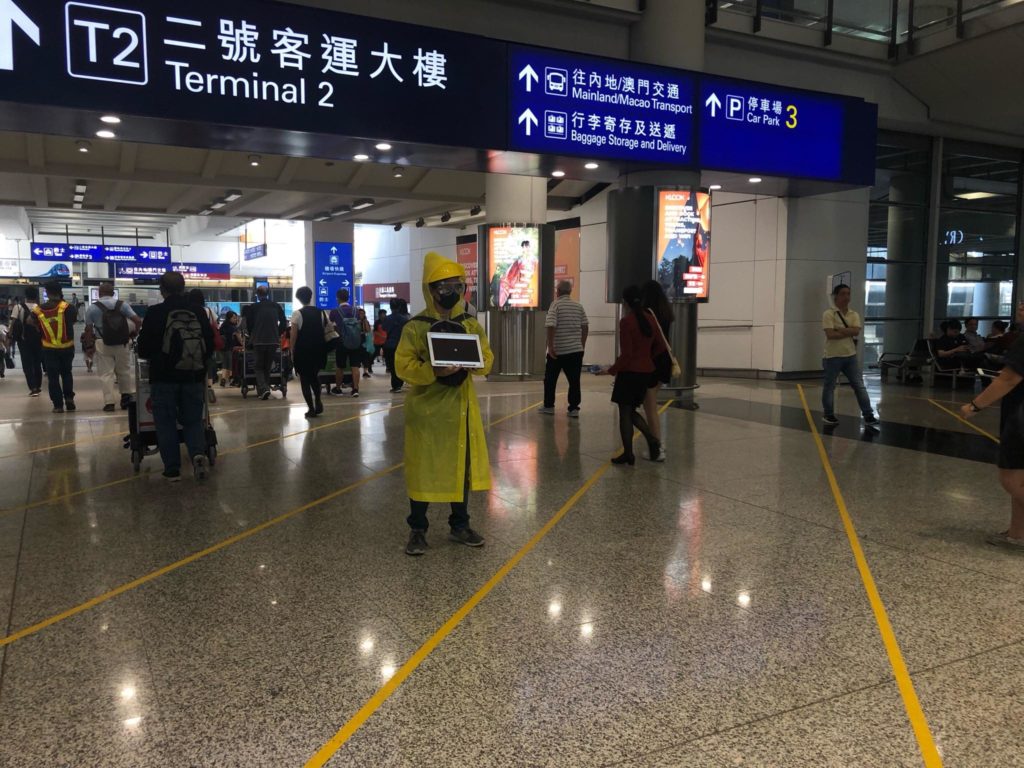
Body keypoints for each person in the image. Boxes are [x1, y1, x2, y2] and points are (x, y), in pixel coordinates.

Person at [397, 252, 493, 556]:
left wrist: (474, 364)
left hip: (461, 410)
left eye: (457, 285)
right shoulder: (416, 327)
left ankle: (460, 524)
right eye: (445, 285)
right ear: (432, 288)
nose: (451, 291)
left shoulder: (470, 325)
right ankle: (417, 528)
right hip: (426, 413)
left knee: (459, 468)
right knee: (423, 469)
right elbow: (403, 365)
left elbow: (487, 358)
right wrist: (431, 371)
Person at [138, 271, 214, 482]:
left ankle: (172, 469)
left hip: (163, 378)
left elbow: (143, 349)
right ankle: (198, 454)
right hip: (193, 376)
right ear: (183, 288)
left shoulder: (155, 312)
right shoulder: (198, 311)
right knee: (193, 421)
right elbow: (209, 343)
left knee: (165, 422)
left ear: (162, 289)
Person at [961, 301, 1024, 551]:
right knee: (1020, 477)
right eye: (1021, 302)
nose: (1021, 306)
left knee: (1010, 479)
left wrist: (975, 405)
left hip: (1020, 417)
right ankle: (1017, 535)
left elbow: (1008, 378)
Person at [598, 285, 665, 464]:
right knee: (630, 411)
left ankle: (633, 451)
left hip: (629, 373)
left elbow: (626, 355)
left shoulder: (626, 322)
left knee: (625, 412)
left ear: (625, 302)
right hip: (645, 372)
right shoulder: (650, 319)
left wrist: (611, 370)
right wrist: (646, 357)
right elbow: (660, 346)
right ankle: (651, 442)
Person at [821, 284, 878, 427]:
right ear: (836, 296)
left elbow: (856, 331)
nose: (846, 297)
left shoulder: (854, 314)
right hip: (832, 356)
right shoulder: (829, 314)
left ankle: (868, 414)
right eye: (843, 294)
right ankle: (829, 414)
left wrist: (839, 329)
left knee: (859, 386)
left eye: (848, 294)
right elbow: (830, 334)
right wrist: (848, 331)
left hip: (850, 356)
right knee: (829, 387)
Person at [85, 282, 141, 412]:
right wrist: (133, 333)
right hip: (122, 342)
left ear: (99, 293)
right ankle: (126, 399)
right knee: (124, 371)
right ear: (113, 293)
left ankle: (109, 403)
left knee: (106, 373)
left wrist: (89, 347)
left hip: (102, 343)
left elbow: (88, 329)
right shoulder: (122, 305)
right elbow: (138, 320)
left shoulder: (93, 308)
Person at [541, 280, 588, 417]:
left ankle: (548, 406)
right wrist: (582, 344)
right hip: (575, 350)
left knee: (550, 379)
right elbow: (585, 326)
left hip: (558, 351)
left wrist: (550, 346)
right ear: (570, 291)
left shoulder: (555, 305)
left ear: (558, 291)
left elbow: (550, 325)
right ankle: (573, 408)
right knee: (574, 381)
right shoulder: (578, 306)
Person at [640, 279, 674, 455]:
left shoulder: (647, 314)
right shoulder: (666, 311)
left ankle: (657, 447)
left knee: (650, 407)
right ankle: (658, 443)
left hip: (651, 361)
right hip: (665, 361)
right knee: (651, 404)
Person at [34, 282, 78, 414]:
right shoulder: (69, 307)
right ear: (60, 291)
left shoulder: (39, 309)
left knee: (53, 377)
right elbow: (73, 321)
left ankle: (58, 406)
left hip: (48, 349)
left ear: (47, 292)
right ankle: (69, 398)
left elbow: (31, 322)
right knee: (66, 373)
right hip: (67, 347)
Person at [242, 285, 287, 400]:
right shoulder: (276, 306)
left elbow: (249, 324)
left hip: (259, 341)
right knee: (267, 366)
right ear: (268, 294)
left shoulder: (254, 307)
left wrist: (253, 334)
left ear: (257, 294)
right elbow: (283, 322)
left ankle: (264, 389)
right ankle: (263, 391)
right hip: (273, 341)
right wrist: (278, 333)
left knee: (258, 367)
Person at [289, 287, 328, 419]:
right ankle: (318, 399)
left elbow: (293, 334)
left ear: (299, 299)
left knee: (305, 379)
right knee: (314, 375)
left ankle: (311, 408)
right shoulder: (321, 312)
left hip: (303, 351)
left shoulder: (297, 314)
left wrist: (291, 350)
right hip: (319, 349)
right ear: (310, 297)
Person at [9, 286, 43, 396]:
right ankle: (38, 386)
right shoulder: (39, 307)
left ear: (25, 296)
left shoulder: (18, 307)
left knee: (27, 364)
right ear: (36, 296)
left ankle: (33, 388)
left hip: (23, 340)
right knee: (37, 362)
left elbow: (13, 323)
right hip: (38, 339)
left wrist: (10, 335)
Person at [329, 289, 361, 397]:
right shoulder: (356, 311)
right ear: (348, 297)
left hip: (342, 341)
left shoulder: (334, 311)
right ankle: (355, 389)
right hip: (356, 341)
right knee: (355, 366)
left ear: (338, 298)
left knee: (340, 367)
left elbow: (330, 326)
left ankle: (338, 389)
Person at [382, 298, 410, 393]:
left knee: (392, 366)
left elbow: (384, 330)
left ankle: (395, 386)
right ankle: (399, 383)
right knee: (400, 364)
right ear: (399, 307)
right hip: (401, 345)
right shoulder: (404, 319)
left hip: (389, 345)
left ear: (390, 307)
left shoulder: (387, 319)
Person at [218, 311, 241, 386]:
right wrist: (243, 344)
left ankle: (224, 379)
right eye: (234, 318)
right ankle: (228, 379)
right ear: (229, 318)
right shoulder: (233, 327)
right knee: (231, 365)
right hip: (230, 348)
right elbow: (239, 338)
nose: (235, 319)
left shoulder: (223, 325)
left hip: (222, 348)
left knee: (225, 364)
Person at [358, 307, 374, 377]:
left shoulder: (366, 321)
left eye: (363, 314)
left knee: (366, 356)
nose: (361, 315)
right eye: (360, 313)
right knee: (358, 356)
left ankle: (365, 371)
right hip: (357, 341)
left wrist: (364, 323)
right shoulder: (355, 321)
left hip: (365, 340)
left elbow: (368, 330)